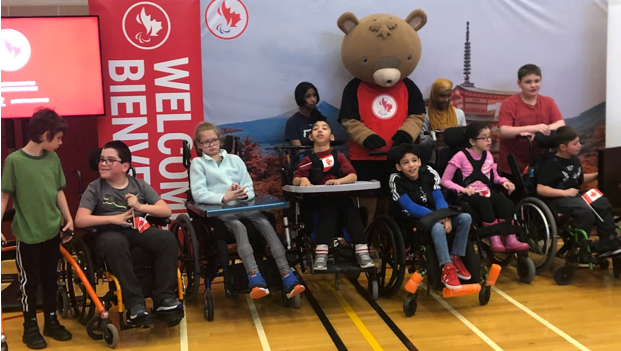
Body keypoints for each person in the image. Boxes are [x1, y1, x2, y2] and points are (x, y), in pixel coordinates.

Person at [190, 122, 305, 299]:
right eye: (206, 142)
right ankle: (254, 276)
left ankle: (286, 273)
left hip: (242, 205)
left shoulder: (235, 160)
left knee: (264, 222)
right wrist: (224, 197)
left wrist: (243, 194)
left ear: (220, 141)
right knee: (239, 226)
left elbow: (249, 187)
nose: (211, 144)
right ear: (198, 145)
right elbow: (198, 194)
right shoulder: (198, 164)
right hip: (220, 211)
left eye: (214, 140)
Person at [75, 141, 183, 323]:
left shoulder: (139, 185)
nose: (103, 164)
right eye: (101, 160)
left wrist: (140, 206)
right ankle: (135, 304)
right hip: (108, 233)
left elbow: (166, 211)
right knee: (115, 243)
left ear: (125, 166)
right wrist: (112, 219)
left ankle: (163, 298)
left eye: (110, 160)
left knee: (166, 238)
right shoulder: (95, 188)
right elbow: (80, 219)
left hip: (136, 229)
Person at [0, 108, 73, 349]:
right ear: (45, 135)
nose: (61, 143)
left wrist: (68, 218)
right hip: (28, 234)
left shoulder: (52, 159)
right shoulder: (15, 161)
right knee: (29, 283)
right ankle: (29, 327)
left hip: (52, 231)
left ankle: (51, 321)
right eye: (58, 138)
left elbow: (58, 190)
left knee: (51, 278)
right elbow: (4, 196)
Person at [292, 120, 374, 271]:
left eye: (324, 128)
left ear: (332, 137)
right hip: (320, 200)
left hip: (341, 197)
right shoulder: (307, 160)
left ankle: (362, 251)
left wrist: (339, 181)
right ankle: (321, 254)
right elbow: (295, 179)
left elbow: (352, 176)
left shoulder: (339, 157)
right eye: (315, 128)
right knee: (327, 213)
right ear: (311, 137)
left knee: (352, 212)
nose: (320, 130)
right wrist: (303, 179)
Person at [388, 143, 472, 289]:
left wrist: (444, 217)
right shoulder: (396, 179)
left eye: (414, 160)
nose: (411, 165)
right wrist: (438, 218)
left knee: (466, 218)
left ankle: (456, 257)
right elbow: (409, 206)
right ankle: (447, 267)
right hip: (414, 219)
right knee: (437, 228)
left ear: (420, 161)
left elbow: (439, 198)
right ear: (398, 167)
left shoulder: (428, 172)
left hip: (437, 214)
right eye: (405, 162)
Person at [440, 122, 528, 253]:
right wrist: (462, 189)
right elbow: (444, 180)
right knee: (485, 203)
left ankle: (510, 239)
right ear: (472, 141)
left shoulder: (488, 155)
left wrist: (504, 181)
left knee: (506, 203)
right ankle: (494, 239)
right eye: (484, 137)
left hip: (486, 190)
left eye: (489, 137)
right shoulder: (460, 156)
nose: (489, 140)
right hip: (468, 193)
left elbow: (494, 177)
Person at [536, 126, 621, 253]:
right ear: (563, 147)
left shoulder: (574, 159)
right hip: (559, 199)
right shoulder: (551, 164)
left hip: (576, 195)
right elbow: (540, 188)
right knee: (584, 210)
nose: (579, 145)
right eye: (575, 143)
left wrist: (599, 174)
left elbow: (579, 179)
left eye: (578, 142)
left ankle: (608, 240)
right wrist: (564, 193)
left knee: (602, 201)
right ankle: (581, 247)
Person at [498, 64, 565, 180]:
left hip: (541, 162)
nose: (533, 85)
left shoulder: (548, 102)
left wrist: (539, 132)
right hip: (512, 164)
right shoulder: (508, 103)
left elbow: (560, 124)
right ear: (519, 84)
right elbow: (504, 131)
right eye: (528, 82)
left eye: (536, 81)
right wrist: (535, 128)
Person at [419, 78, 466, 163]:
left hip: (457, 161)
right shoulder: (425, 115)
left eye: (448, 96)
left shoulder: (459, 114)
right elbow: (422, 144)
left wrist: (460, 132)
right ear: (434, 95)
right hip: (434, 161)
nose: (446, 100)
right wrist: (436, 134)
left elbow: (465, 142)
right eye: (442, 96)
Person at [285, 82, 327, 146]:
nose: (313, 99)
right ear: (300, 98)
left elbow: (329, 143)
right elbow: (298, 151)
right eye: (308, 96)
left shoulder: (320, 118)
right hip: (305, 155)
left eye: (314, 95)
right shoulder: (293, 122)